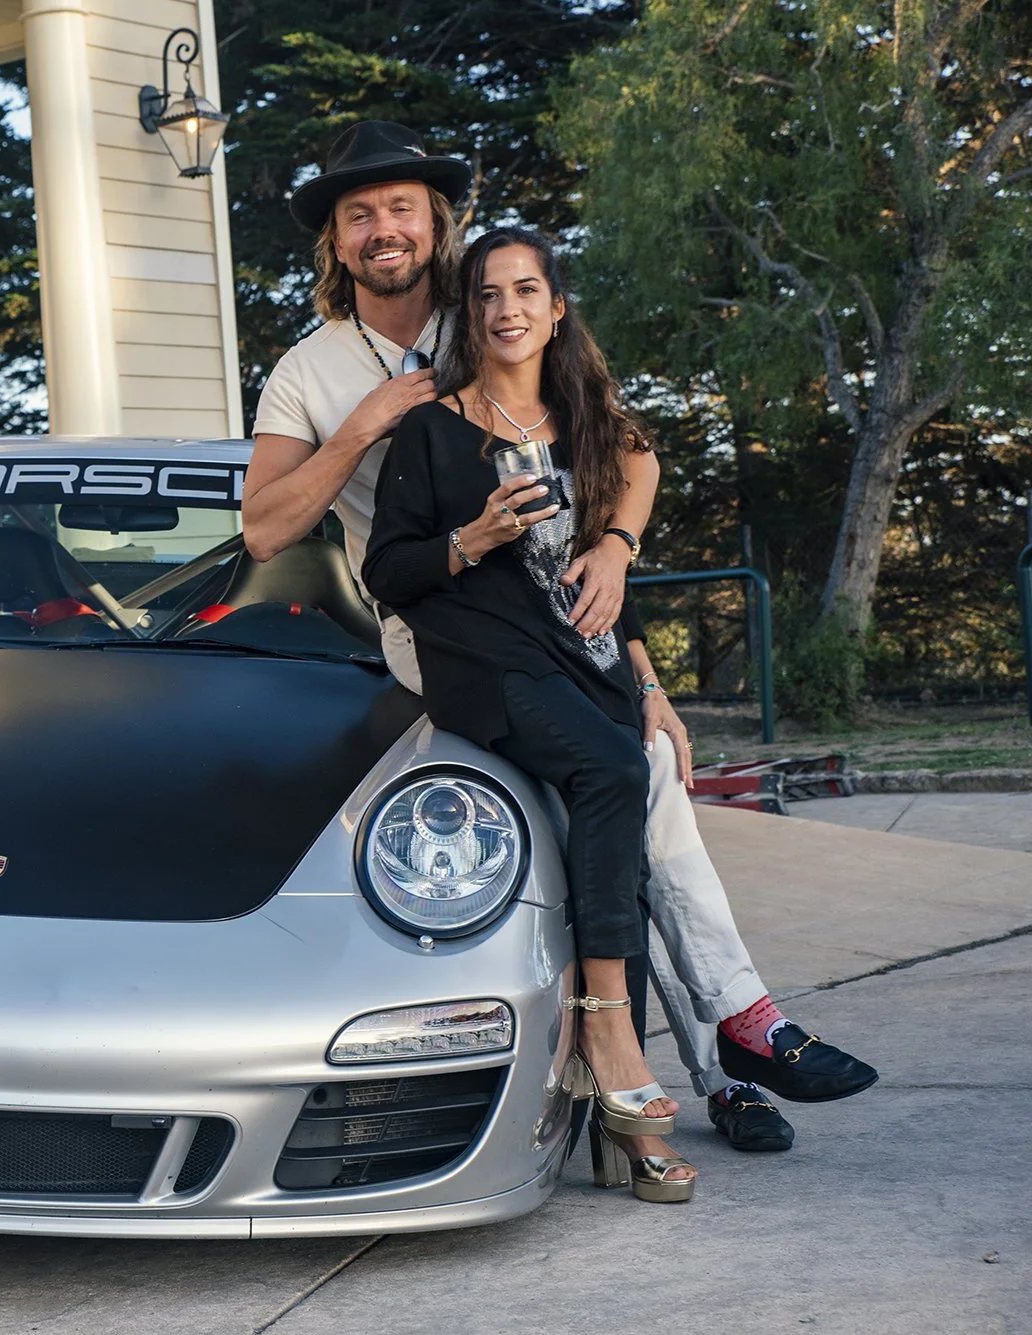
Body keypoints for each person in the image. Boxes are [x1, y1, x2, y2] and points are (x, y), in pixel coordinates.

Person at [245, 122, 874, 1160]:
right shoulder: (307, 372)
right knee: (628, 780)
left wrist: (632, 608)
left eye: (401, 207)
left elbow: (619, 460)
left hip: (561, 609)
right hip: (441, 628)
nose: (382, 228)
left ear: (436, 223)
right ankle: (728, 1051)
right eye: (358, 214)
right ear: (336, 241)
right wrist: (362, 425)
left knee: (645, 768)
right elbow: (265, 528)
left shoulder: (493, 309)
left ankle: (717, 1056)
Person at [363, 225, 699, 1200]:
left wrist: (631, 609)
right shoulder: (434, 430)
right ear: (469, 317)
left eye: (524, 291)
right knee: (610, 771)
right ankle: (610, 1036)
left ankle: (619, 1121)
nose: (506, 309)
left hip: (580, 664)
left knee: (619, 838)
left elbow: (615, 533)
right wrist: (468, 539)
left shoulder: (587, 419)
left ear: (555, 309)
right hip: (483, 666)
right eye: (487, 294)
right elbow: (388, 570)